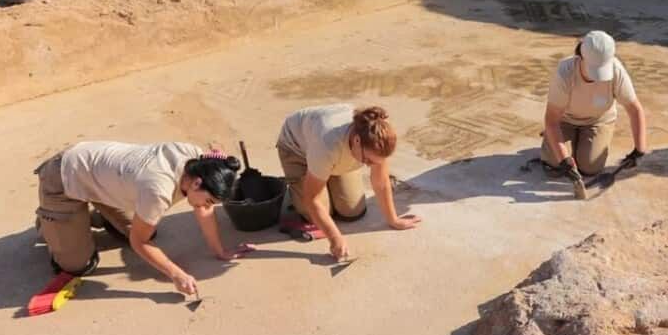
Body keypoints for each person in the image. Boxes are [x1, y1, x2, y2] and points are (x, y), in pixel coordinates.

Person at [34, 142, 253, 296]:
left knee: (148, 227)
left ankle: (83, 219)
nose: (207, 207)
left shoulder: (198, 161)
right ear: (196, 183)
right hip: (63, 178)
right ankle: (49, 224)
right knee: (79, 266)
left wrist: (220, 251)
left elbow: (203, 210)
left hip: (103, 180)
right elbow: (139, 242)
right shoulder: (158, 191)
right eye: (209, 201)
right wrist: (176, 274)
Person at [275, 104, 420, 261]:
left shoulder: (379, 135)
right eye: (367, 161)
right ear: (357, 140)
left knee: (352, 211)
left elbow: (381, 182)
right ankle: (298, 189)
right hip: (297, 150)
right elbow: (312, 199)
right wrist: (335, 239)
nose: (371, 165)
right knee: (317, 215)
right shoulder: (326, 145)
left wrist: (394, 220)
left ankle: (323, 175)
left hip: (331, 154)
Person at [541, 30, 649, 199]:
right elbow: (552, 119)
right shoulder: (565, 71)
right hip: (565, 120)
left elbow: (634, 109)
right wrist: (564, 161)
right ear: (580, 56)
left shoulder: (616, 70)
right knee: (554, 164)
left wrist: (639, 149)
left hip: (598, 120)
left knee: (590, 167)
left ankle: (573, 143)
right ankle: (554, 141)